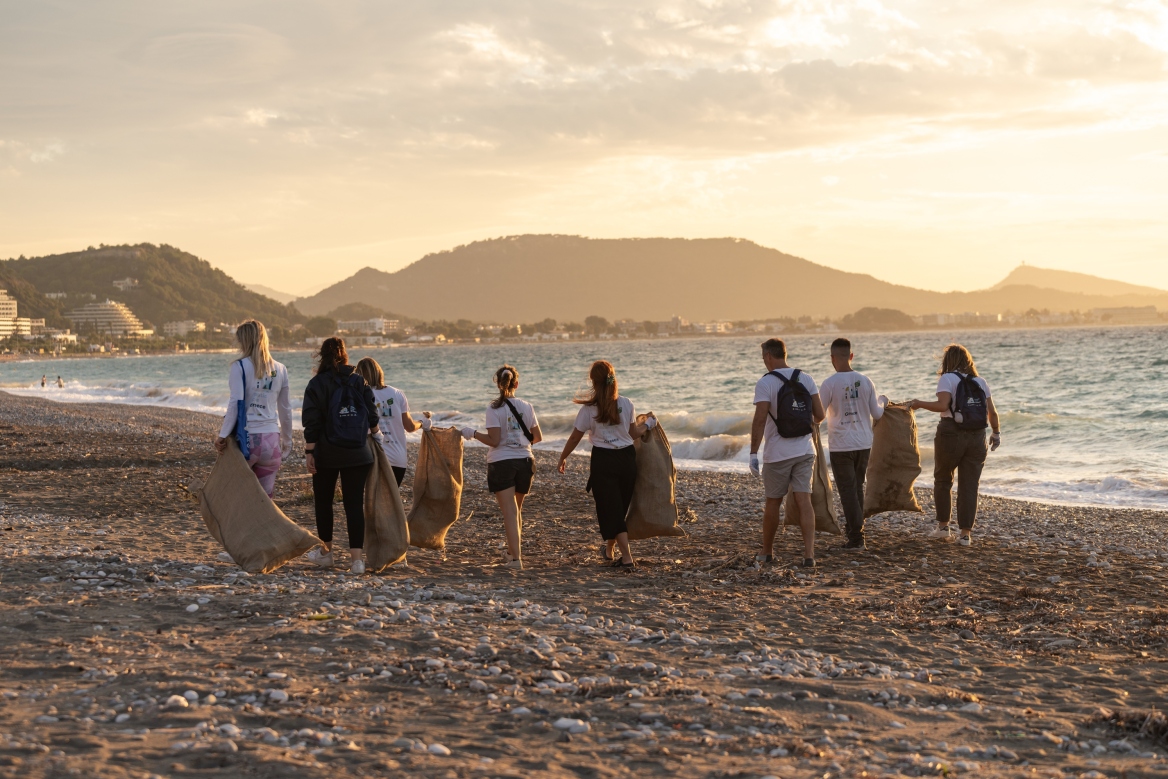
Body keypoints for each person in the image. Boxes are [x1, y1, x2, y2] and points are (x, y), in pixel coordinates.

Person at [558, 361, 654, 568]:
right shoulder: (627, 403)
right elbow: (633, 434)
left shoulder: (589, 409)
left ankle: (627, 557)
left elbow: (575, 438)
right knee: (618, 508)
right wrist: (648, 424)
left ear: (593, 381)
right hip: (627, 460)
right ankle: (609, 550)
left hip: (603, 460)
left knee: (611, 509)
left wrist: (563, 456)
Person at [907, 344, 1000, 547]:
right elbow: (992, 412)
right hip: (977, 436)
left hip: (951, 433)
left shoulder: (947, 379)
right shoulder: (980, 382)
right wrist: (996, 433)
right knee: (969, 485)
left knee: (943, 479)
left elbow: (942, 406)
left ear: (948, 361)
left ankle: (943, 528)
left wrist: (918, 403)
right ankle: (965, 535)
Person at [301, 337, 380, 574]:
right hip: (358, 452)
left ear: (321, 356)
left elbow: (311, 422)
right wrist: (378, 438)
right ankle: (357, 561)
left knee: (324, 502)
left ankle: (327, 553)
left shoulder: (316, 384)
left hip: (327, 452)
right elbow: (372, 416)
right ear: (344, 355)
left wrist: (309, 452)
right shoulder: (358, 380)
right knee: (353, 504)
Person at [749, 338, 825, 567]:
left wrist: (753, 452)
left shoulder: (766, 383)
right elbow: (820, 415)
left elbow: (760, 419)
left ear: (769, 356)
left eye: (764, 358)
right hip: (804, 449)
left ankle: (767, 551)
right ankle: (809, 555)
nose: (764, 362)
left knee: (773, 502)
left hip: (778, 453)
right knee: (804, 500)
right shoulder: (806, 378)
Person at [460, 365, 543, 570]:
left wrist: (472, 433)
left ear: (498, 384)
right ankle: (513, 554)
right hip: (525, 461)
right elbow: (538, 437)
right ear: (516, 383)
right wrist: (518, 442)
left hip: (502, 463)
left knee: (510, 513)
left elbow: (494, 441)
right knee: (516, 512)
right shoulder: (527, 406)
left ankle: (515, 560)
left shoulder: (494, 409)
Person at [819, 338, 887, 549]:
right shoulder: (866, 381)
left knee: (848, 491)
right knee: (856, 488)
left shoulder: (829, 384)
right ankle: (855, 531)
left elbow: (818, 416)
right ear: (851, 356)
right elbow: (877, 413)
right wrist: (883, 401)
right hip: (864, 443)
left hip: (841, 445)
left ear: (832, 358)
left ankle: (857, 537)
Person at [214, 320, 293, 498]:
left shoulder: (239, 367)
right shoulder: (281, 369)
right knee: (265, 502)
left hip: (247, 441)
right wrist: (287, 441)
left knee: (235, 497)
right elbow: (285, 410)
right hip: (272, 442)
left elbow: (235, 402)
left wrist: (223, 435)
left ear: (244, 340)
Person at [355, 357, 431, 486]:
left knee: (372, 502)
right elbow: (410, 426)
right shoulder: (397, 394)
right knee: (390, 502)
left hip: (369, 456)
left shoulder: (357, 395)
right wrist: (423, 422)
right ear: (379, 373)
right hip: (396, 457)